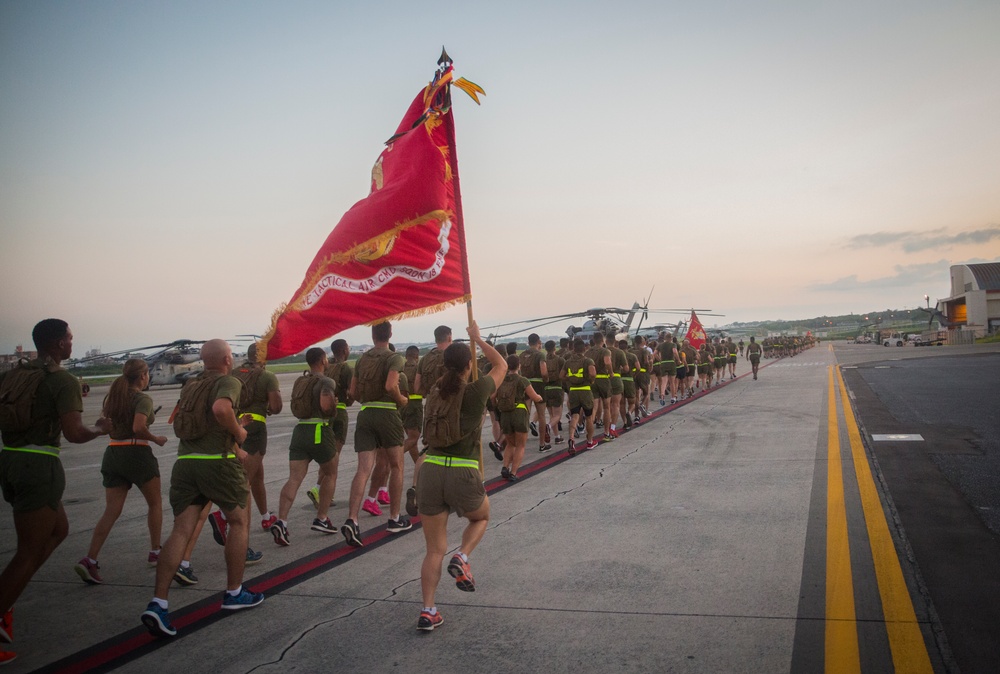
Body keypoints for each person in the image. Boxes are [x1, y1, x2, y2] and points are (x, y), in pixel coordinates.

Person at [0, 319, 111, 664]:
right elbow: (75, 433)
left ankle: (7, 596)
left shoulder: (15, 374)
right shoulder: (61, 379)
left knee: (59, 530)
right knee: (28, 552)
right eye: (70, 338)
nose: (71, 344)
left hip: (11, 461)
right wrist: (100, 428)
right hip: (39, 465)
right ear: (59, 344)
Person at [140, 339, 262, 638]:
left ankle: (158, 603)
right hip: (216, 463)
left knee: (181, 530)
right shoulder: (227, 381)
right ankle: (234, 592)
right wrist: (240, 431)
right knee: (238, 521)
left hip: (186, 463)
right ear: (225, 360)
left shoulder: (191, 385)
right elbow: (221, 410)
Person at [415, 321, 506, 631]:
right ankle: (463, 556)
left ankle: (428, 610)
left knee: (433, 550)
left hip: (430, 468)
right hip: (462, 469)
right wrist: (477, 339)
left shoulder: (435, 391)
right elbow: (501, 364)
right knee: (481, 517)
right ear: (469, 365)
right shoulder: (476, 389)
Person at [75, 358, 167, 585]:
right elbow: (138, 427)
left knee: (111, 511)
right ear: (143, 376)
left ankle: (90, 558)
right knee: (155, 504)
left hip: (113, 454)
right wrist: (157, 439)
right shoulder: (142, 398)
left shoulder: (114, 397)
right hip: (136, 454)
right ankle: (156, 551)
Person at [341, 321, 411, 548]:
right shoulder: (394, 357)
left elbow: (353, 392)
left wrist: (369, 403)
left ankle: (352, 518)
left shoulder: (361, 360)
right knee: (396, 466)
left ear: (372, 335)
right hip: (387, 413)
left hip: (365, 414)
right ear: (390, 334)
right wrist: (401, 400)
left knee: (363, 469)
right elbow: (392, 386)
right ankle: (394, 517)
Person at [270, 348, 339, 546]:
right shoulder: (326, 382)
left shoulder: (302, 380)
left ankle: (282, 521)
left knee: (294, 478)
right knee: (330, 473)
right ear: (323, 360)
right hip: (318, 430)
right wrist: (334, 405)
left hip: (300, 431)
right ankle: (322, 518)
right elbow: (326, 407)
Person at [497, 355, 544, 481]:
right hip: (519, 413)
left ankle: (505, 467)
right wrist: (540, 397)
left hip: (505, 414)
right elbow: (534, 397)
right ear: (519, 365)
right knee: (520, 445)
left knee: (510, 444)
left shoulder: (502, 380)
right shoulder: (522, 380)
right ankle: (513, 472)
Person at [564, 338, 597, 454]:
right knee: (588, 417)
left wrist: (569, 380)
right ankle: (589, 441)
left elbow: (561, 375)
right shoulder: (588, 360)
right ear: (584, 349)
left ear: (573, 349)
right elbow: (592, 373)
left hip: (573, 391)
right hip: (585, 390)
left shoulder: (568, 361)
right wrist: (591, 381)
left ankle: (571, 438)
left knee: (574, 415)